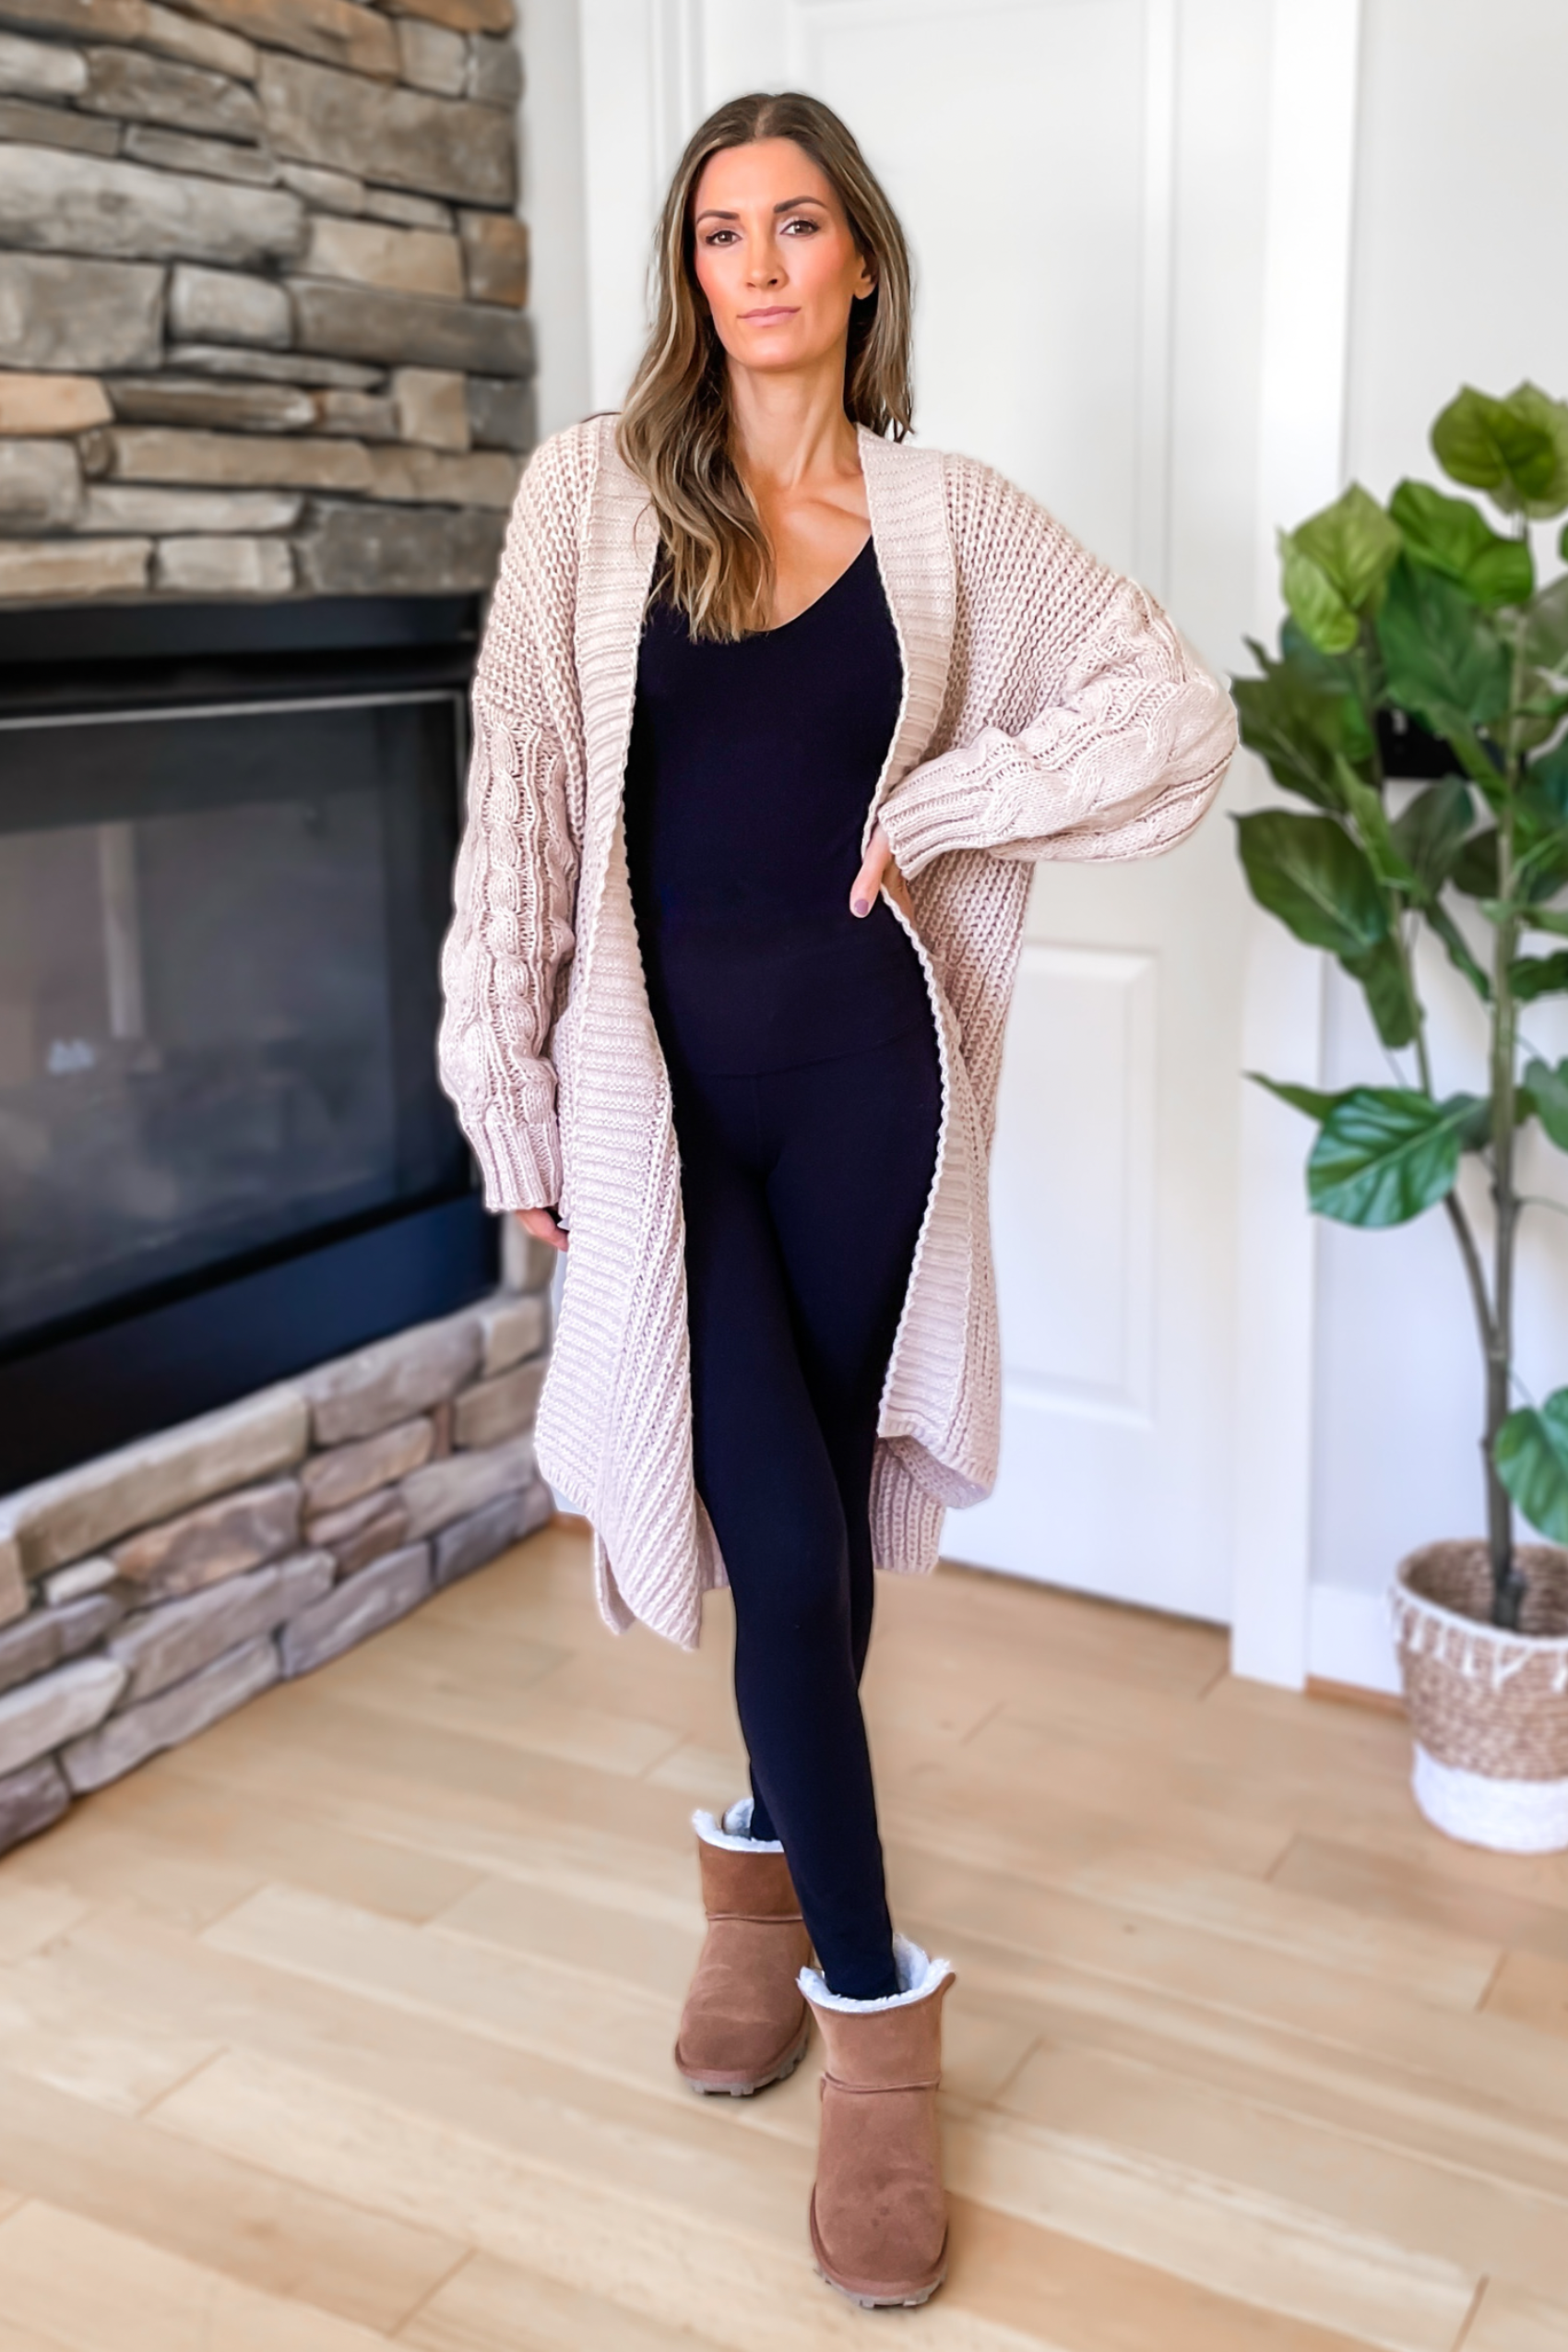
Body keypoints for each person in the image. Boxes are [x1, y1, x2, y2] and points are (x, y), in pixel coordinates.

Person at [437, 89, 1236, 2311]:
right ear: (689, 271)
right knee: (780, 1545)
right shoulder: (591, 498)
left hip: (872, 1093)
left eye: (797, 226)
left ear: (858, 258)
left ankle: (756, 1873)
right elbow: (520, 805)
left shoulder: (949, 516)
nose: (761, 265)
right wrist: (511, 1096)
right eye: (722, 231)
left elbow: (1170, 714)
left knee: (821, 1513)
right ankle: (876, 2031)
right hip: (661, 1106)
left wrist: (960, 795)